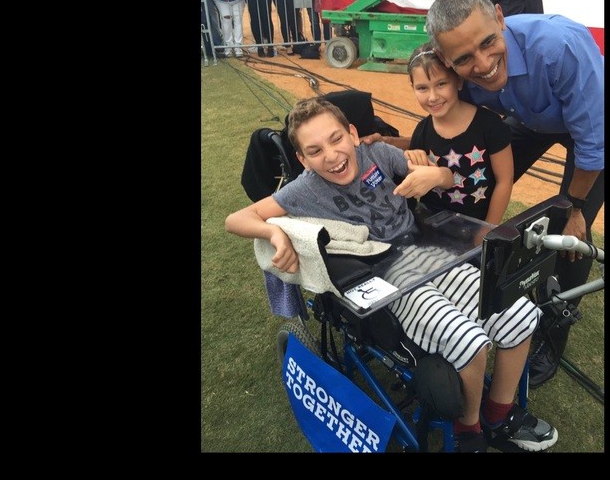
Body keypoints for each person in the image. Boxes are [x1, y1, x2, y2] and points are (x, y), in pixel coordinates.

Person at [225, 97, 558, 453]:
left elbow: (445, 178)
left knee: (520, 313)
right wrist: (275, 233)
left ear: (352, 134)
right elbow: (236, 219)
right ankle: (468, 428)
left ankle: (499, 414)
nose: (332, 155)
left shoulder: (378, 154)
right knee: (470, 341)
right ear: (303, 160)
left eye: (336, 139)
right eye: (315, 151)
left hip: (427, 250)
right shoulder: (305, 189)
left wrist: (436, 175)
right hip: (384, 275)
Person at [424, 0, 604, 388]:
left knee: (567, 233)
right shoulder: (450, 71)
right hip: (530, 118)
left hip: (592, 123)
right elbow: (453, 132)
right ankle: (469, 278)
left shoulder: (560, 48)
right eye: (464, 59)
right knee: (478, 188)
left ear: (500, 18)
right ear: (445, 59)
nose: (484, 64)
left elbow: (593, 147)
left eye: (488, 42)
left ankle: (552, 335)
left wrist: (575, 208)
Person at [403, 43, 514, 230]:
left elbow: (504, 180)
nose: (432, 97)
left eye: (441, 84)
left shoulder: (490, 125)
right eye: (422, 88)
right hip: (432, 227)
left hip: (476, 226)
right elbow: (414, 182)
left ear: (459, 82)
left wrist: (486, 230)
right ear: (412, 87)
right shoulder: (422, 131)